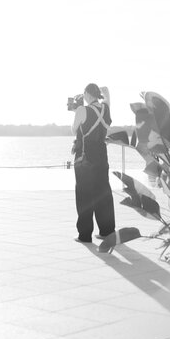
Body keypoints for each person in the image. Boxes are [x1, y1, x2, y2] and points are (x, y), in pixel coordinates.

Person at [71, 83, 115, 244]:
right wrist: (107, 93)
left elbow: (74, 130)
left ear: (87, 94)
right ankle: (107, 232)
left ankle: (85, 235)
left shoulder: (83, 110)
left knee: (84, 195)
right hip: (102, 156)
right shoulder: (106, 108)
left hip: (85, 157)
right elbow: (108, 101)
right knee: (103, 192)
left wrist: (77, 111)